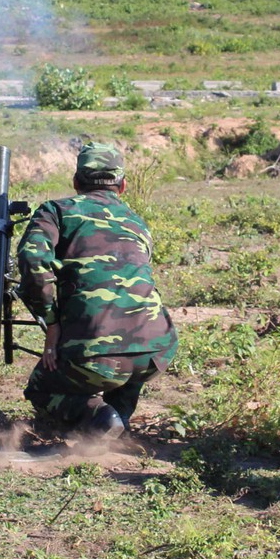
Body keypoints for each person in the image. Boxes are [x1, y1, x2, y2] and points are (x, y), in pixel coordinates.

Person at [17, 141, 178, 437]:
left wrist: (50, 323)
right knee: (127, 367)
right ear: (123, 185)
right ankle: (117, 418)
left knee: (41, 388)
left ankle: (100, 418)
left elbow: (32, 261)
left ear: (76, 182)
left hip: (94, 352)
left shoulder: (56, 211)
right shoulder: (137, 222)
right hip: (157, 349)